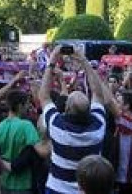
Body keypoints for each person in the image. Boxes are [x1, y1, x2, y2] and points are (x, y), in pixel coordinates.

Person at [38, 47, 111, 194]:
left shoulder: (57, 127)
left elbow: (44, 96)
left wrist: (52, 60)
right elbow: (98, 93)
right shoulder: (97, 128)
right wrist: (84, 61)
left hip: (56, 190)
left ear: (66, 110)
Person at [0, 89, 39, 194]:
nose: (28, 108)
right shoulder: (27, 126)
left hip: (3, 182)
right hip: (23, 184)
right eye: (26, 105)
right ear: (20, 106)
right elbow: (36, 150)